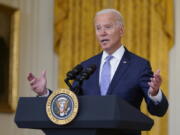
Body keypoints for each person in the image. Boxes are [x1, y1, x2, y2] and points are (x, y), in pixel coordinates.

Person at [27, 9, 168, 134]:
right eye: (98, 28)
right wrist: (44, 93)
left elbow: (159, 110)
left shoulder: (139, 65)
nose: (102, 33)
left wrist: (155, 93)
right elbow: (69, 104)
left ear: (122, 30)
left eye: (108, 27)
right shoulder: (87, 66)